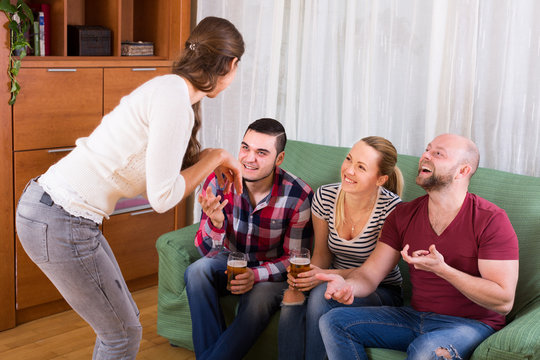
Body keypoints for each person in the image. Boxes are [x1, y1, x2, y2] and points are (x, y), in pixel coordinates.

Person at [15, 16, 245, 360]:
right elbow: (162, 197)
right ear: (231, 64)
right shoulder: (174, 100)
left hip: (54, 212)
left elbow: (159, 172)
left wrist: (209, 158)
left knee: (123, 327)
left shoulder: (170, 89)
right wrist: (217, 157)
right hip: (61, 218)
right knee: (121, 335)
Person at [317, 134, 519, 360]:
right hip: (415, 317)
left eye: (438, 153)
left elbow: (503, 301)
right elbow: (369, 275)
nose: (425, 156)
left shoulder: (490, 219)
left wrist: (443, 270)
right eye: (427, 150)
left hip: (471, 324)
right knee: (333, 321)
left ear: (462, 171)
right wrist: (348, 287)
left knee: (427, 349)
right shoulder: (403, 215)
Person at [184, 118, 314, 360]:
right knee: (196, 271)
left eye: (262, 152)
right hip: (230, 260)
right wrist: (216, 223)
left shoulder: (299, 196)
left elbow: (295, 260)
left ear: (279, 159)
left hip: (271, 274)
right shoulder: (218, 181)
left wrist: (255, 275)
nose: (249, 159)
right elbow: (205, 250)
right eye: (245, 148)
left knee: (258, 298)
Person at [278, 136, 404, 360]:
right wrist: (307, 277)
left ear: (380, 179)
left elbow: (373, 272)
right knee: (292, 295)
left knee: (321, 297)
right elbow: (322, 256)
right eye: (349, 159)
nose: (349, 170)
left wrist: (323, 276)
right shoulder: (325, 197)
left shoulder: (393, 210)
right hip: (333, 278)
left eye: (361, 167)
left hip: (380, 289)